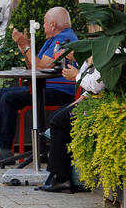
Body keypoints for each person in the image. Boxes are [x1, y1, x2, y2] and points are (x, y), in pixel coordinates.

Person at [0, 7, 79, 167]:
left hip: (59, 90)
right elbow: (32, 67)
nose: (43, 27)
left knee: (8, 98)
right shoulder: (52, 39)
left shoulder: (64, 39)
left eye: (45, 23)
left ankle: (5, 151)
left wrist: (26, 46)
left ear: (53, 24)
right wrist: (24, 48)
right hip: (45, 87)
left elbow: (42, 66)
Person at [40, 58, 103, 193]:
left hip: (103, 103)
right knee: (57, 116)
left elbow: (97, 84)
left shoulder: (111, 52)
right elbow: (92, 81)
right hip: (93, 99)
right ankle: (61, 175)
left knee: (59, 121)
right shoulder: (97, 52)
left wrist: (76, 75)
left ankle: (61, 178)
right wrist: (82, 97)